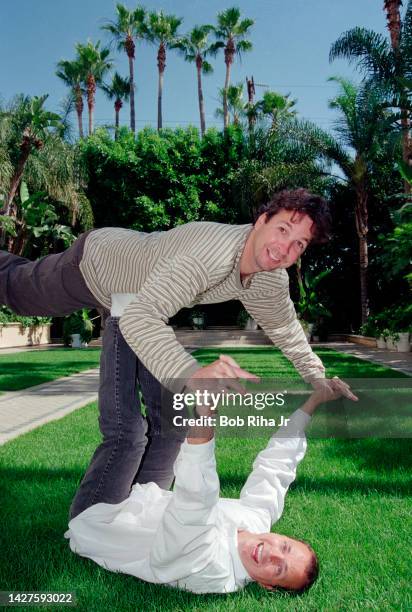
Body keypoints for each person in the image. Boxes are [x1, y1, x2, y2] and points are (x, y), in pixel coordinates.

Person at [0, 188, 357, 519]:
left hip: (133, 297)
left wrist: (316, 376)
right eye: (282, 230)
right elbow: (142, 319)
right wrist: (191, 373)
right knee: (17, 288)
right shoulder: (210, 254)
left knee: (170, 423)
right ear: (261, 220)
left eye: (299, 244)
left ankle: (143, 512)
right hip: (96, 266)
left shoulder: (269, 278)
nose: (285, 249)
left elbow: (284, 329)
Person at [65, 378, 352, 594]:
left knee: (130, 438)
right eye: (286, 547)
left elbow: (195, 501)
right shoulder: (257, 523)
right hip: (148, 497)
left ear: (267, 585)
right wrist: (314, 401)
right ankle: (151, 337)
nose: (273, 552)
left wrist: (204, 417)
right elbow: (276, 468)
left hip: (104, 517)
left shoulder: (213, 571)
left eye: (279, 569)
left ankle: (121, 315)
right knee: (174, 424)